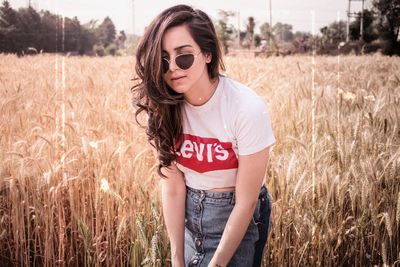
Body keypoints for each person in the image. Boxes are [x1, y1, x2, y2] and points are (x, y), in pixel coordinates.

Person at [131, 4, 276, 267]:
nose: (173, 67)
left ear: (207, 53)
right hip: (187, 212)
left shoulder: (245, 108)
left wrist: (218, 263)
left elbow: (246, 201)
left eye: (183, 56)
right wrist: (176, 257)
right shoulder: (163, 109)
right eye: (163, 59)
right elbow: (173, 187)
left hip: (237, 216)